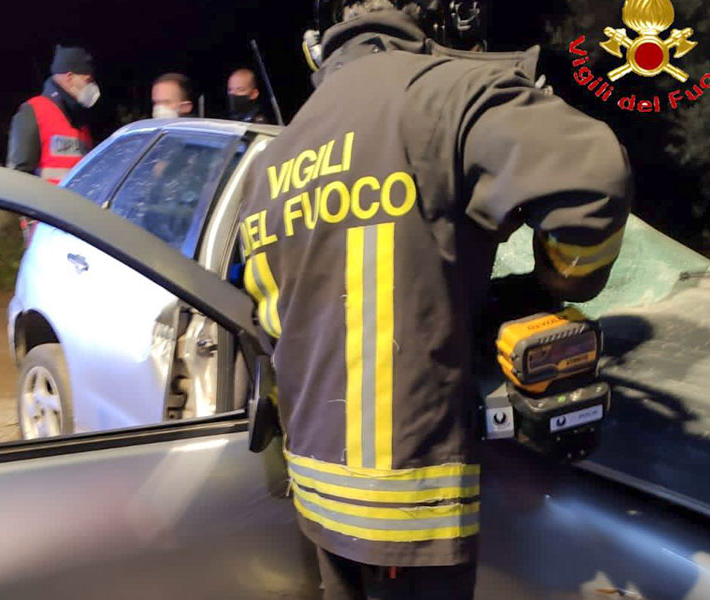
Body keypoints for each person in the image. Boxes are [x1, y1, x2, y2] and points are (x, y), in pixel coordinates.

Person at [236, 1, 632, 598]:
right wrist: (564, 280)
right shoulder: (444, 93)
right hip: (412, 500)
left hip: (319, 489)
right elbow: (593, 180)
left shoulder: (273, 161)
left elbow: (273, 317)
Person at [6, 45, 99, 184]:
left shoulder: (79, 120)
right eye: (88, 80)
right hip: (45, 204)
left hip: (78, 204)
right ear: (69, 77)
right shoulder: (33, 111)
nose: (92, 86)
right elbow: (18, 177)